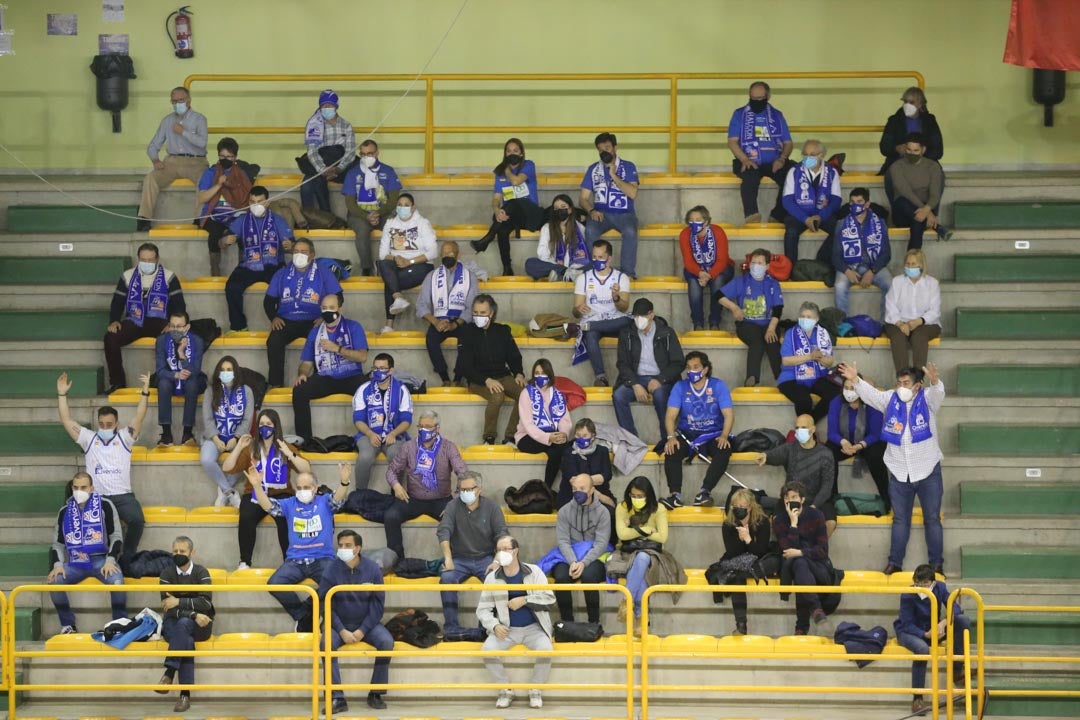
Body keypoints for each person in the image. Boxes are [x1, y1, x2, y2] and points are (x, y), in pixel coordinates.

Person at [839, 362, 946, 576]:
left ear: (917, 385)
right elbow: (872, 395)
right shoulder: (890, 398)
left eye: (906, 383)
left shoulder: (927, 398)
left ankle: (936, 564)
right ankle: (895, 562)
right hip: (899, 472)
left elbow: (938, 393)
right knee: (900, 520)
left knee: (932, 519)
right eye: (899, 383)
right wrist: (856, 380)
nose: (901, 387)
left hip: (928, 470)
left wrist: (935, 381)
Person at [57, 372, 148, 560]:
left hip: (123, 495)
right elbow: (66, 420)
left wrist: (145, 392)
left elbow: (139, 417)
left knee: (137, 520)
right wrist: (62, 394)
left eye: (109, 424)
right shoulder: (88, 438)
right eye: (101, 424)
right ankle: (100, 558)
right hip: (97, 496)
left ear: (117, 424)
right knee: (97, 526)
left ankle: (127, 556)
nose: (105, 428)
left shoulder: (125, 437)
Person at [250, 463, 351, 626]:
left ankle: (310, 606)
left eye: (306, 487)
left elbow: (337, 498)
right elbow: (268, 506)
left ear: (315, 488)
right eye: (299, 488)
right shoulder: (290, 503)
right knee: (274, 584)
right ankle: (303, 615)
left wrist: (344, 482)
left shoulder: (325, 501)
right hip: (295, 561)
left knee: (340, 583)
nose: (302, 491)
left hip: (323, 559)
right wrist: (257, 486)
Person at [221, 409, 311, 570]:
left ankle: (289, 561)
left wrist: (290, 454)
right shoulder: (251, 448)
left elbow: (306, 469)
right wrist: (239, 447)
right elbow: (227, 468)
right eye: (261, 424)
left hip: (281, 493)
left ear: (276, 426)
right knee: (246, 515)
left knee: (285, 517)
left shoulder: (284, 446)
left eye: (268, 424)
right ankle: (245, 562)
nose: (265, 427)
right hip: (254, 493)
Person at [477, 534, 556, 710]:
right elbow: (482, 609)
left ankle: (535, 689)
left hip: (534, 628)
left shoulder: (534, 571)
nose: (501, 553)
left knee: (546, 650)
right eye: (498, 550)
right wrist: (494, 625)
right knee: (487, 651)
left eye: (506, 549)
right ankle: (505, 690)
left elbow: (549, 598)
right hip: (506, 630)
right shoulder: (492, 578)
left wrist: (525, 600)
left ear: (516, 551)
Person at [318, 529, 394, 713]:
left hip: (366, 624)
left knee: (386, 641)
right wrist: (341, 630)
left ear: (358, 548)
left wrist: (362, 630)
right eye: (340, 545)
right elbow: (324, 604)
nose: (343, 549)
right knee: (326, 644)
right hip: (338, 625)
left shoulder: (373, 569)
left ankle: (375, 693)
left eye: (348, 545)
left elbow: (378, 605)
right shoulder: (330, 569)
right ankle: (336, 697)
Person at [383, 410, 469, 560]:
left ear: (437, 428)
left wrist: (455, 501)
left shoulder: (448, 447)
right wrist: (396, 486)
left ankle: (456, 561)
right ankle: (397, 560)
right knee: (390, 516)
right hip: (413, 499)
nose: (423, 429)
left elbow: (463, 474)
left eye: (428, 426)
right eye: (420, 426)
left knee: (458, 518)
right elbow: (391, 470)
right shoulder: (408, 447)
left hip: (441, 499)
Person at [47, 472, 125, 635]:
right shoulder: (64, 511)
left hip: (101, 560)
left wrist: (110, 560)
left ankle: (119, 624)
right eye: (76, 488)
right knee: (54, 581)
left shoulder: (105, 505)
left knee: (117, 581)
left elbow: (116, 537)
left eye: (83, 487)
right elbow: (58, 545)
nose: (79, 491)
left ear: (91, 488)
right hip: (76, 562)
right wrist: (58, 565)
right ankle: (68, 625)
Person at [105, 243, 186, 391]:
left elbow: (179, 305)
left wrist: (172, 325)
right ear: (138, 259)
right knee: (110, 338)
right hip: (134, 321)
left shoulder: (169, 277)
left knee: (174, 337)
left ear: (157, 259)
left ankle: (168, 380)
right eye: (143, 260)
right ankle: (117, 383)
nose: (146, 263)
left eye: (150, 260)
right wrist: (114, 320)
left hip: (160, 321)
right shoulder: (127, 276)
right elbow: (117, 302)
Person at [659, 351, 735, 509]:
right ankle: (675, 496)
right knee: (671, 449)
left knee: (724, 449)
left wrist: (724, 435)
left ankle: (704, 492)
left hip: (713, 434)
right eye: (689, 367)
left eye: (696, 367)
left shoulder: (718, 385)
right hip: (687, 435)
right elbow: (670, 416)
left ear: (705, 369)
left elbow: (729, 415)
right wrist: (671, 437)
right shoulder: (680, 387)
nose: (691, 371)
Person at [263, 238, 343, 387]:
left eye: (304, 252)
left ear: (312, 255)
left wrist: (325, 317)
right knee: (273, 341)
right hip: (286, 320)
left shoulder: (323, 273)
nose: (299, 255)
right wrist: (273, 318)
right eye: (296, 251)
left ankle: (320, 382)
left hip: (314, 320)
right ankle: (275, 385)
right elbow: (268, 300)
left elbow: (338, 298)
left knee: (322, 341)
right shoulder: (281, 273)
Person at [895, 564, 971, 715]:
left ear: (933, 583)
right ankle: (917, 698)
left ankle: (957, 671)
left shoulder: (940, 588)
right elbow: (906, 624)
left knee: (963, 620)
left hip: (933, 629)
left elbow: (955, 608)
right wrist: (925, 634)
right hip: (910, 632)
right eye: (918, 583)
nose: (921, 587)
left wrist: (943, 623)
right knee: (922, 649)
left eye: (925, 583)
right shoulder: (907, 594)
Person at [292, 293, 368, 442]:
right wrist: (302, 374)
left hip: (351, 376)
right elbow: (307, 363)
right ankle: (304, 441)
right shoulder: (315, 332)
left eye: (332, 308)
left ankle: (369, 437)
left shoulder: (353, 326)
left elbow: (362, 357)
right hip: (325, 377)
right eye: (324, 308)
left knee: (371, 390)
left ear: (340, 309)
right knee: (299, 390)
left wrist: (337, 349)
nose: (328, 311)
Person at [438, 471, 508, 630]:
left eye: (470, 489)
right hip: (459, 558)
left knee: (495, 580)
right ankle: (451, 629)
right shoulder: (452, 506)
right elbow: (444, 531)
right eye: (462, 489)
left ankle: (485, 628)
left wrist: (497, 560)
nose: (466, 492)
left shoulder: (492, 507)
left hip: (486, 557)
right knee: (446, 578)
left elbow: (502, 535)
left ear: (479, 489)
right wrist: (448, 558)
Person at [155, 535, 214, 713]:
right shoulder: (166, 574)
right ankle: (184, 696)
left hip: (202, 624)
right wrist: (193, 613)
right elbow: (168, 607)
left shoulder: (202, 572)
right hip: (174, 623)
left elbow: (206, 603)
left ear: (192, 553)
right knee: (185, 636)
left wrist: (179, 602)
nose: (178, 554)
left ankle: (169, 673)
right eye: (175, 551)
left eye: (182, 551)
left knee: (184, 625)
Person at [222, 186, 294, 332]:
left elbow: (293, 246)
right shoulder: (242, 220)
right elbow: (222, 242)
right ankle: (239, 326)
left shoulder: (278, 220)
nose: (256, 205)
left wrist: (290, 246)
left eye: (260, 201)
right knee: (232, 287)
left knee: (286, 286)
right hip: (248, 265)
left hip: (274, 265)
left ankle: (285, 324)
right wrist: (225, 241)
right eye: (252, 202)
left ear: (267, 202)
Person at [458, 294, 526, 445]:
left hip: (503, 376)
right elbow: (465, 366)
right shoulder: (466, 332)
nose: (478, 316)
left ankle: (511, 437)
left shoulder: (502, 331)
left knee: (526, 394)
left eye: (483, 313)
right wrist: (486, 380)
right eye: (475, 312)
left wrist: (519, 373)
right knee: (497, 396)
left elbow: (514, 356)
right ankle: (489, 438)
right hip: (478, 380)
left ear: (492, 313)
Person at [614, 298, 685, 442]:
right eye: (636, 316)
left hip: (662, 378)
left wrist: (660, 379)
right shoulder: (626, 334)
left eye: (642, 316)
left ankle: (667, 438)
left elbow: (678, 363)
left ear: (651, 315)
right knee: (619, 396)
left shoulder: (667, 333)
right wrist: (634, 384)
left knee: (660, 395)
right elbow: (622, 363)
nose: (639, 319)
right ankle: (631, 440)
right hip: (637, 377)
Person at [137, 87, 208, 231]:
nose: (177, 104)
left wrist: (183, 132)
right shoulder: (167, 121)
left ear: (188, 100)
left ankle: (199, 219)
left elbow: (202, 143)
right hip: (172, 162)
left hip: (196, 162)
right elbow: (153, 145)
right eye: (174, 101)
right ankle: (144, 218)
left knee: (205, 181)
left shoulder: (199, 119)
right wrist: (155, 160)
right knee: (151, 178)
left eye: (181, 100)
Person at [471, 138, 545, 276]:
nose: (512, 153)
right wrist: (496, 210)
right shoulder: (499, 173)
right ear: (505, 153)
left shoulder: (528, 165)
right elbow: (496, 198)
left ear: (521, 153)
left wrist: (507, 170)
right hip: (513, 215)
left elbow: (516, 181)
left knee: (514, 201)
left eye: (515, 151)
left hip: (531, 214)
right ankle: (507, 268)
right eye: (509, 151)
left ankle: (488, 237)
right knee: (502, 227)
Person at [755, 414, 838, 536]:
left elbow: (827, 486)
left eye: (803, 427)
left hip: (817, 500)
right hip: (792, 498)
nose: (799, 431)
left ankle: (818, 547)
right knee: (776, 519)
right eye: (797, 428)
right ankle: (787, 546)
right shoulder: (790, 448)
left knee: (830, 522)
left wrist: (814, 507)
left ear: (813, 430)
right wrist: (765, 456)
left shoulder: (826, 454)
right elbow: (775, 455)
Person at [727, 81, 795, 225]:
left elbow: (788, 143)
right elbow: (732, 141)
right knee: (749, 178)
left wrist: (782, 158)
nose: (756, 102)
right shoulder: (739, 114)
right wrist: (744, 159)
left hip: (775, 161)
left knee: (793, 175)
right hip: (748, 160)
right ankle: (752, 215)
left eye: (760, 99)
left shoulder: (777, 115)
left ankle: (777, 216)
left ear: (768, 97)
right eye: (753, 99)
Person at [773, 481, 835, 636]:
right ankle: (815, 611)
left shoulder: (816, 515)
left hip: (818, 565)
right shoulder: (779, 520)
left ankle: (801, 626)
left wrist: (801, 552)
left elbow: (823, 551)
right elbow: (787, 550)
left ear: (802, 499)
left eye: (794, 497)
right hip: (794, 566)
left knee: (800, 564)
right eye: (786, 498)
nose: (790, 500)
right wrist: (793, 524)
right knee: (800, 565)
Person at [610, 476, 671, 635]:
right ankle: (640, 617)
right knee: (640, 569)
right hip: (627, 552)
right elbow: (622, 535)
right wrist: (646, 530)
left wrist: (632, 529)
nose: (637, 499)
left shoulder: (658, 509)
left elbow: (662, 537)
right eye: (634, 496)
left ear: (648, 495)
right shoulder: (623, 507)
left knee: (643, 557)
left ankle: (627, 601)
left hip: (652, 553)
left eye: (641, 496)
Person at [718, 248, 784, 387]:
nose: (755, 266)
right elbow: (718, 295)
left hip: (769, 323)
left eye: (760, 263)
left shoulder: (773, 283)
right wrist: (734, 307)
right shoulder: (742, 281)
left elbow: (778, 309)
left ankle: (783, 379)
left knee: (772, 342)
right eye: (753, 262)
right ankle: (751, 378)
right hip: (747, 324)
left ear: (767, 266)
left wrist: (771, 329)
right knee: (757, 342)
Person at [551, 473, 611, 624]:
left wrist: (584, 563)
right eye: (575, 489)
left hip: (594, 557)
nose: (578, 492)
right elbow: (563, 541)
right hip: (569, 556)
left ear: (592, 490)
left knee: (589, 577)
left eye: (582, 488)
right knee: (561, 577)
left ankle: (593, 623)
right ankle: (567, 623)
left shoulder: (603, 512)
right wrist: (572, 561)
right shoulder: (564, 511)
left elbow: (601, 543)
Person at [580, 132, 640, 278]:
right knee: (590, 230)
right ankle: (593, 271)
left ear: (615, 148)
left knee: (630, 232)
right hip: (600, 213)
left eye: (607, 148)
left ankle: (627, 273)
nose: (604, 152)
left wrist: (613, 175)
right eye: (600, 150)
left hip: (625, 213)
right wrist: (591, 210)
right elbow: (583, 199)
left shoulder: (628, 166)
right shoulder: (593, 169)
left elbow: (632, 193)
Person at [417, 241, 478, 385]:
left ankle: (458, 379)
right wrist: (435, 322)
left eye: (450, 253)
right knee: (431, 339)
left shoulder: (470, 277)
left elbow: (472, 307)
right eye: (443, 253)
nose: (446, 256)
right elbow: (421, 305)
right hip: (439, 320)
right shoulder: (432, 276)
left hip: (461, 321)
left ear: (458, 255)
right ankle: (444, 378)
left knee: (467, 340)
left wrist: (455, 324)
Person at [573, 239, 633, 386]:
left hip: (614, 321)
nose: (596, 260)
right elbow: (575, 312)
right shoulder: (583, 278)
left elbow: (624, 308)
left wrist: (616, 297)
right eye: (594, 257)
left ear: (609, 259)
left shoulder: (621, 278)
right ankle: (601, 378)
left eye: (600, 257)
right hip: (594, 320)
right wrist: (579, 309)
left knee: (628, 322)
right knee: (591, 335)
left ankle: (627, 376)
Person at [827, 376, 890, 512]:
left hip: (867, 441)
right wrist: (843, 442)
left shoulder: (872, 403)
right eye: (846, 388)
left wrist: (860, 445)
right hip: (844, 441)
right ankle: (831, 501)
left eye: (853, 388)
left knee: (876, 455)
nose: (849, 391)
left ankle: (887, 499)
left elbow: (876, 434)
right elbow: (832, 433)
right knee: (827, 454)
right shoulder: (836, 402)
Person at [718, 488, 775, 636]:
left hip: (758, 560)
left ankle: (751, 571)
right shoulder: (728, 525)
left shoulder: (762, 522)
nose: (739, 509)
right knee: (737, 575)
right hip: (738, 562)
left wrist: (749, 540)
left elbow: (761, 551)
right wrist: (740, 539)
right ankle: (741, 625)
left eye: (742, 506)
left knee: (774, 561)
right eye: (736, 506)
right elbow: (732, 553)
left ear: (750, 507)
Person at [376, 193, 437, 331]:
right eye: (399, 205)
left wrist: (410, 261)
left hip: (420, 265)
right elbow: (382, 254)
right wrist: (396, 258)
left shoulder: (423, 223)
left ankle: (389, 324)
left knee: (390, 281)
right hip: (397, 265)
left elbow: (433, 252)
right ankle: (398, 297)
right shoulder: (390, 224)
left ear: (413, 207)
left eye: (406, 205)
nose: (402, 208)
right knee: (384, 264)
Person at [341, 139, 402, 275]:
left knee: (395, 227)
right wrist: (366, 216)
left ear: (377, 153)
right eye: (363, 154)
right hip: (359, 215)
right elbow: (350, 203)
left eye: (370, 154)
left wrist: (378, 213)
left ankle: (393, 263)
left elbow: (393, 200)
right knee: (362, 230)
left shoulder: (388, 171)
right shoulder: (353, 173)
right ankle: (367, 268)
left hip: (383, 213)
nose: (366, 157)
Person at [200, 356, 253, 508]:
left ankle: (223, 490)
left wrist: (236, 438)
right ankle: (229, 491)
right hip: (214, 438)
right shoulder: (211, 391)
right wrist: (216, 439)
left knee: (248, 459)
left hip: (238, 438)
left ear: (235, 372)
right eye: (222, 370)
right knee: (206, 460)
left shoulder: (246, 391)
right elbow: (207, 419)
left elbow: (247, 419)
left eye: (229, 370)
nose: (226, 373)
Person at [352, 353, 412, 487]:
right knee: (365, 457)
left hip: (394, 435)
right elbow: (358, 419)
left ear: (391, 370)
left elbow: (406, 420)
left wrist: (394, 433)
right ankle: (360, 494)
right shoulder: (363, 389)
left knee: (397, 456)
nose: (378, 371)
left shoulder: (401, 390)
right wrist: (370, 434)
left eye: (382, 368)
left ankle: (397, 493)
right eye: (375, 368)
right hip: (367, 435)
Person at [196, 137, 254, 275]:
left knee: (245, 232)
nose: (225, 159)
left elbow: (247, 197)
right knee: (214, 234)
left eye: (229, 157)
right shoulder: (210, 173)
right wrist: (218, 185)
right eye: (222, 156)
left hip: (236, 214)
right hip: (213, 215)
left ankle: (242, 271)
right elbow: (202, 198)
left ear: (235, 157)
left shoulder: (241, 174)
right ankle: (215, 272)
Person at [832, 187, 892, 319]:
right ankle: (843, 325)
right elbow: (835, 255)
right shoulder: (841, 224)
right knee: (839, 286)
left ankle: (885, 323)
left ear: (867, 204)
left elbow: (886, 254)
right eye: (852, 202)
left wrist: (872, 271)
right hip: (849, 265)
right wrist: (847, 271)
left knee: (890, 284)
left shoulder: (880, 224)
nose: (855, 205)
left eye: (859, 202)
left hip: (873, 265)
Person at [777, 301, 841, 422]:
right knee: (804, 400)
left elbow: (830, 362)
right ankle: (807, 428)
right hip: (792, 378)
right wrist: (810, 356)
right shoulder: (791, 333)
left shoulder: (822, 334)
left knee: (835, 395)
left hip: (817, 377)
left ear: (816, 319)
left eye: (809, 317)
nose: (805, 319)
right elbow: (786, 361)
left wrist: (820, 358)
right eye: (802, 316)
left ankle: (810, 424)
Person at [514, 359, 573, 490]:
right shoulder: (526, 393)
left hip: (552, 434)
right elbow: (528, 425)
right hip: (527, 437)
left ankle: (547, 489)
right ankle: (548, 490)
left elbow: (564, 419)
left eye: (543, 373)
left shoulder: (557, 394)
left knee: (559, 449)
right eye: (537, 373)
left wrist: (563, 433)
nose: (540, 376)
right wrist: (548, 438)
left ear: (550, 374)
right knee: (561, 448)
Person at [887, 132, 951, 249]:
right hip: (902, 211)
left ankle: (912, 257)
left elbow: (935, 194)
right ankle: (936, 227)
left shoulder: (933, 166)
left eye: (916, 150)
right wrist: (928, 213)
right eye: (909, 150)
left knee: (918, 220)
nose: (912, 153)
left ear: (923, 150)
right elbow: (905, 192)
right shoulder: (896, 167)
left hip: (923, 211)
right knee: (903, 202)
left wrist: (926, 210)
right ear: (905, 148)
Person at [781, 139, 842, 261]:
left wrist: (821, 216)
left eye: (812, 155)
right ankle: (790, 267)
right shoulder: (794, 171)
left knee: (840, 230)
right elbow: (787, 200)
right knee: (791, 232)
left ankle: (822, 262)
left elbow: (836, 200)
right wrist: (805, 219)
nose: (808, 157)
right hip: (799, 214)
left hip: (823, 213)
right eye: (805, 154)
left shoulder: (832, 172)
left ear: (822, 155)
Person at [883, 249, 941, 373]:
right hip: (899, 322)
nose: (910, 267)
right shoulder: (897, 282)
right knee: (898, 337)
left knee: (919, 336)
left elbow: (935, 311)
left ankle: (918, 379)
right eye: (908, 264)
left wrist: (919, 321)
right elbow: (890, 306)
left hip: (925, 323)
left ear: (921, 265)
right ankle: (903, 378)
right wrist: (900, 323)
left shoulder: (932, 283)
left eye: (913, 264)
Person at [155, 310, 206, 448]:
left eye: (179, 326)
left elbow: (195, 372)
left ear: (187, 327)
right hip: (171, 379)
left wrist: (181, 353)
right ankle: (166, 434)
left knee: (192, 385)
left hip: (192, 379)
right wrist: (175, 375)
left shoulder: (197, 341)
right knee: (163, 384)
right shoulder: (161, 341)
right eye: (172, 326)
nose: (175, 330)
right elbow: (160, 371)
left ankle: (187, 433)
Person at [299, 89, 356, 212]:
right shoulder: (314, 125)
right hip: (320, 167)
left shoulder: (346, 125)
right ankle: (316, 217)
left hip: (341, 167)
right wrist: (323, 169)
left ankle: (352, 214)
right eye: (324, 106)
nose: (326, 108)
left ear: (336, 106)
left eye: (329, 105)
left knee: (357, 176)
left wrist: (339, 168)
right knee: (307, 186)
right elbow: (312, 151)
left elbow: (350, 151)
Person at [679, 205, 734, 330]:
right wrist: (700, 273)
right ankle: (698, 323)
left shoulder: (718, 232)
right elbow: (688, 261)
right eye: (691, 220)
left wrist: (709, 275)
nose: (694, 223)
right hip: (696, 270)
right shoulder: (685, 234)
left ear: (706, 221)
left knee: (718, 281)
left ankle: (714, 322)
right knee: (693, 283)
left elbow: (722, 260)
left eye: (698, 220)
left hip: (721, 269)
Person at [878, 87, 944, 179]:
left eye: (912, 102)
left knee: (936, 175)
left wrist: (921, 153)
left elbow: (938, 150)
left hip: (925, 164)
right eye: (905, 102)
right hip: (898, 163)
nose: (907, 105)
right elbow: (884, 147)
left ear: (920, 104)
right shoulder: (894, 120)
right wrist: (896, 148)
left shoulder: (929, 121)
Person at [524, 194, 590, 282]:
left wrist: (573, 267)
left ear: (570, 210)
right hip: (554, 267)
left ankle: (562, 275)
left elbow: (585, 254)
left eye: (563, 207)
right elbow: (542, 254)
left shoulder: (580, 228)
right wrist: (557, 265)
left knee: (594, 264)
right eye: (556, 208)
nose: (559, 210)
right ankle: (565, 273)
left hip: (577, 268)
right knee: (530, 263)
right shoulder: (547, 228)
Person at [559, 419, 616, 515]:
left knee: (610, 512)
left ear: (593, 436)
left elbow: (606, 475)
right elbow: (574, 480)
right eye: (578, 435)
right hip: (572, 496)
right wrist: (598, 491)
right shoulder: (568, 452)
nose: (581, 438)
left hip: (600, 494)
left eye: (585, 436)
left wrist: (586, 483)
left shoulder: (602, 451)